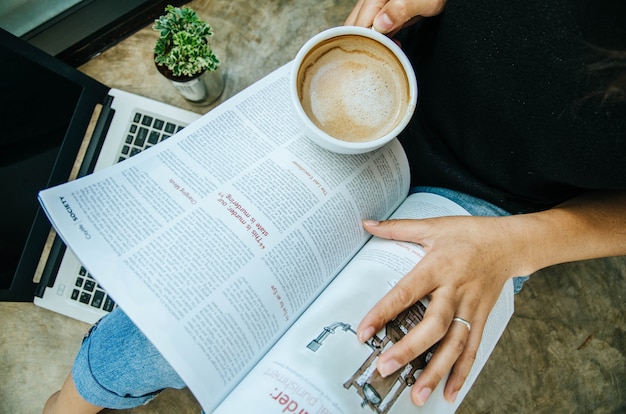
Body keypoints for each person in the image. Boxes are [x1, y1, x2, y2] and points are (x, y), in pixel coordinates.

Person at [44, 0, 626, 412]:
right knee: (179, 318)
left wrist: (518, 247)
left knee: (339, 372)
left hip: (499, 207)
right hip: (379, 92)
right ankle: (80, 394)